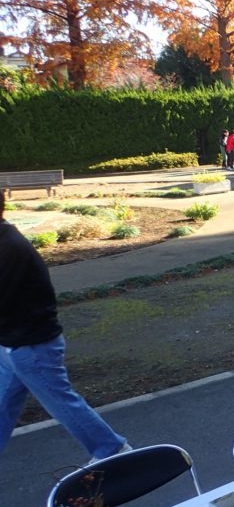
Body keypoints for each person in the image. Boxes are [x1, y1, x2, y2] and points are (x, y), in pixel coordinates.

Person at [0, 193, 131, 461]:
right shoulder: (5, 240)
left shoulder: (8, 247)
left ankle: (111, 448)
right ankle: (110, 448)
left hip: (31, 345)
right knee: (3, 402)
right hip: (14, 343)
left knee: (61, 402)